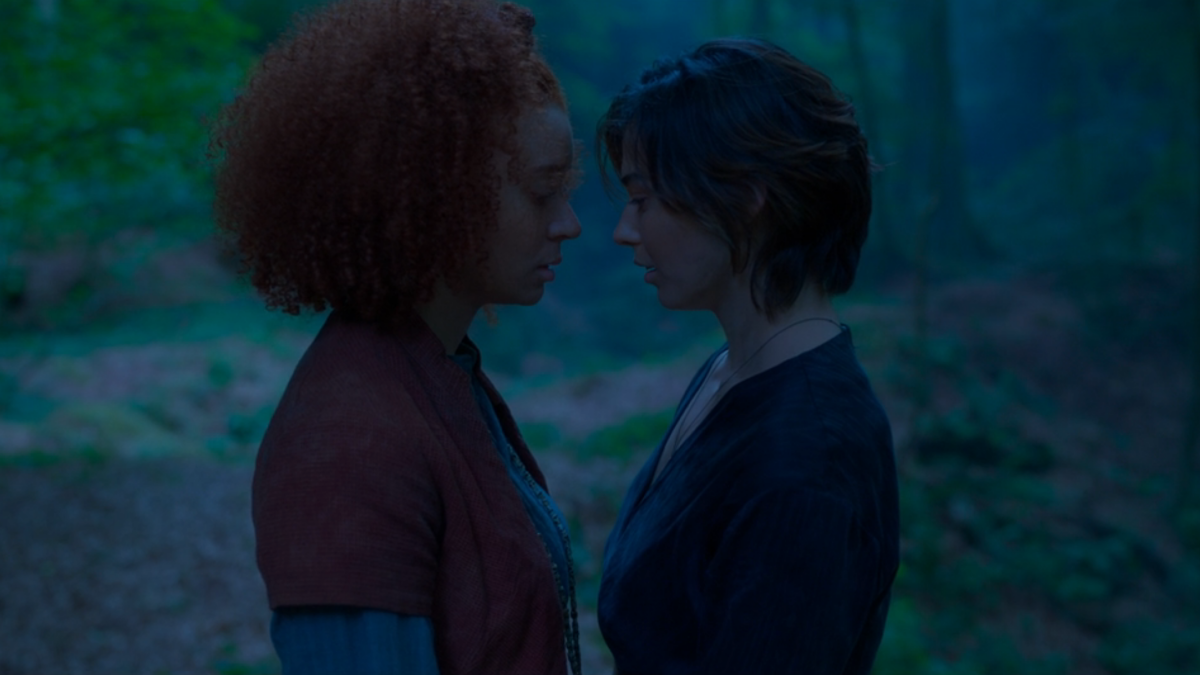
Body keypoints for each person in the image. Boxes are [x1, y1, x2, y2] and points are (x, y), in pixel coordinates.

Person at [208, 1, 584, 673]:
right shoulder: (349, 440)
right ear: (442, 191)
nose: (570, 223)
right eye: (542, 190)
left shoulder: (435, 372)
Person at [594, 37, 900, 674]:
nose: (626, 230)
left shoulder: (807, 462)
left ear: (744, 195)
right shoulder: (732, 373)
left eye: (643, 197)